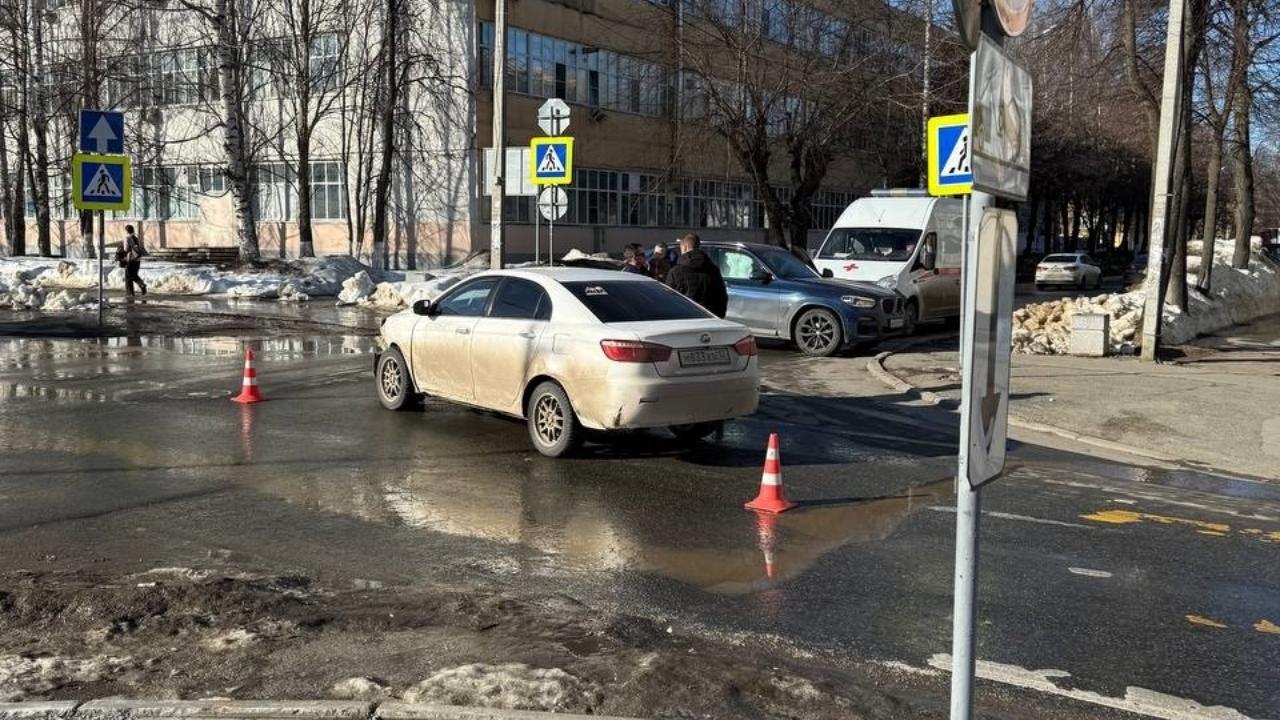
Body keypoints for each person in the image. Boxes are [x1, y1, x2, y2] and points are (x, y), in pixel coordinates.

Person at [666, 233, 728, 318]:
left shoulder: (675, 271)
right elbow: (722, 297)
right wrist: (718, 317)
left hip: (683, 319)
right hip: (710, 318)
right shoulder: (713, 269)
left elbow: (668, 300)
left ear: (684, 247)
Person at [122, 225, 147, 297]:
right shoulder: (136, 238)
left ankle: (130, 292)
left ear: (126, 231)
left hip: (130, 259)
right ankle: (141, 285)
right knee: (134, 274)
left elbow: (126, 249)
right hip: (137, 259)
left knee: (129, 275)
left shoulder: (127, 238)